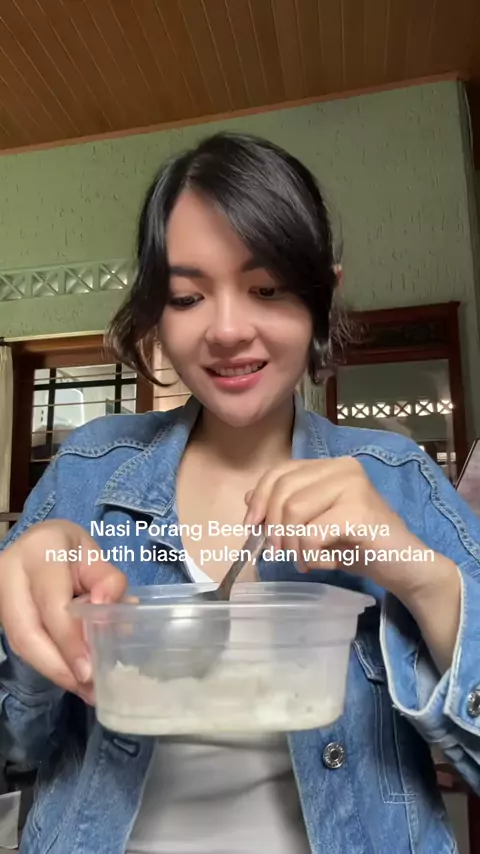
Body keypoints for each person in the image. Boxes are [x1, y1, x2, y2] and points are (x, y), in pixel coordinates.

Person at [0, 132, 479, 854]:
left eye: (267, 289)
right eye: (187, 296)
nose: (227, 330)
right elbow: (16, 748)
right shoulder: (87, 473)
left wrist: (419, 573)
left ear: (321, 297)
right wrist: (30, 623)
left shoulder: (399, 476)